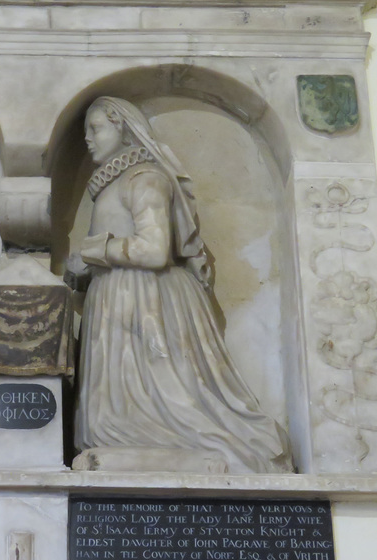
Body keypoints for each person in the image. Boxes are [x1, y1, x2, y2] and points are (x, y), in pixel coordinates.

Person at [69, 96, 292, 473]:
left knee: (171, 402)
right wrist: (81, 266)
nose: (88, 139)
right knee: (109, 420)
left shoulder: (144, 178)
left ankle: (213, 455)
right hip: (116, 300)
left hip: (146, 299)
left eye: (95, 129)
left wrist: (97, 250)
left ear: (121, 127)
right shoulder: (113, 183)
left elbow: (156, 250)